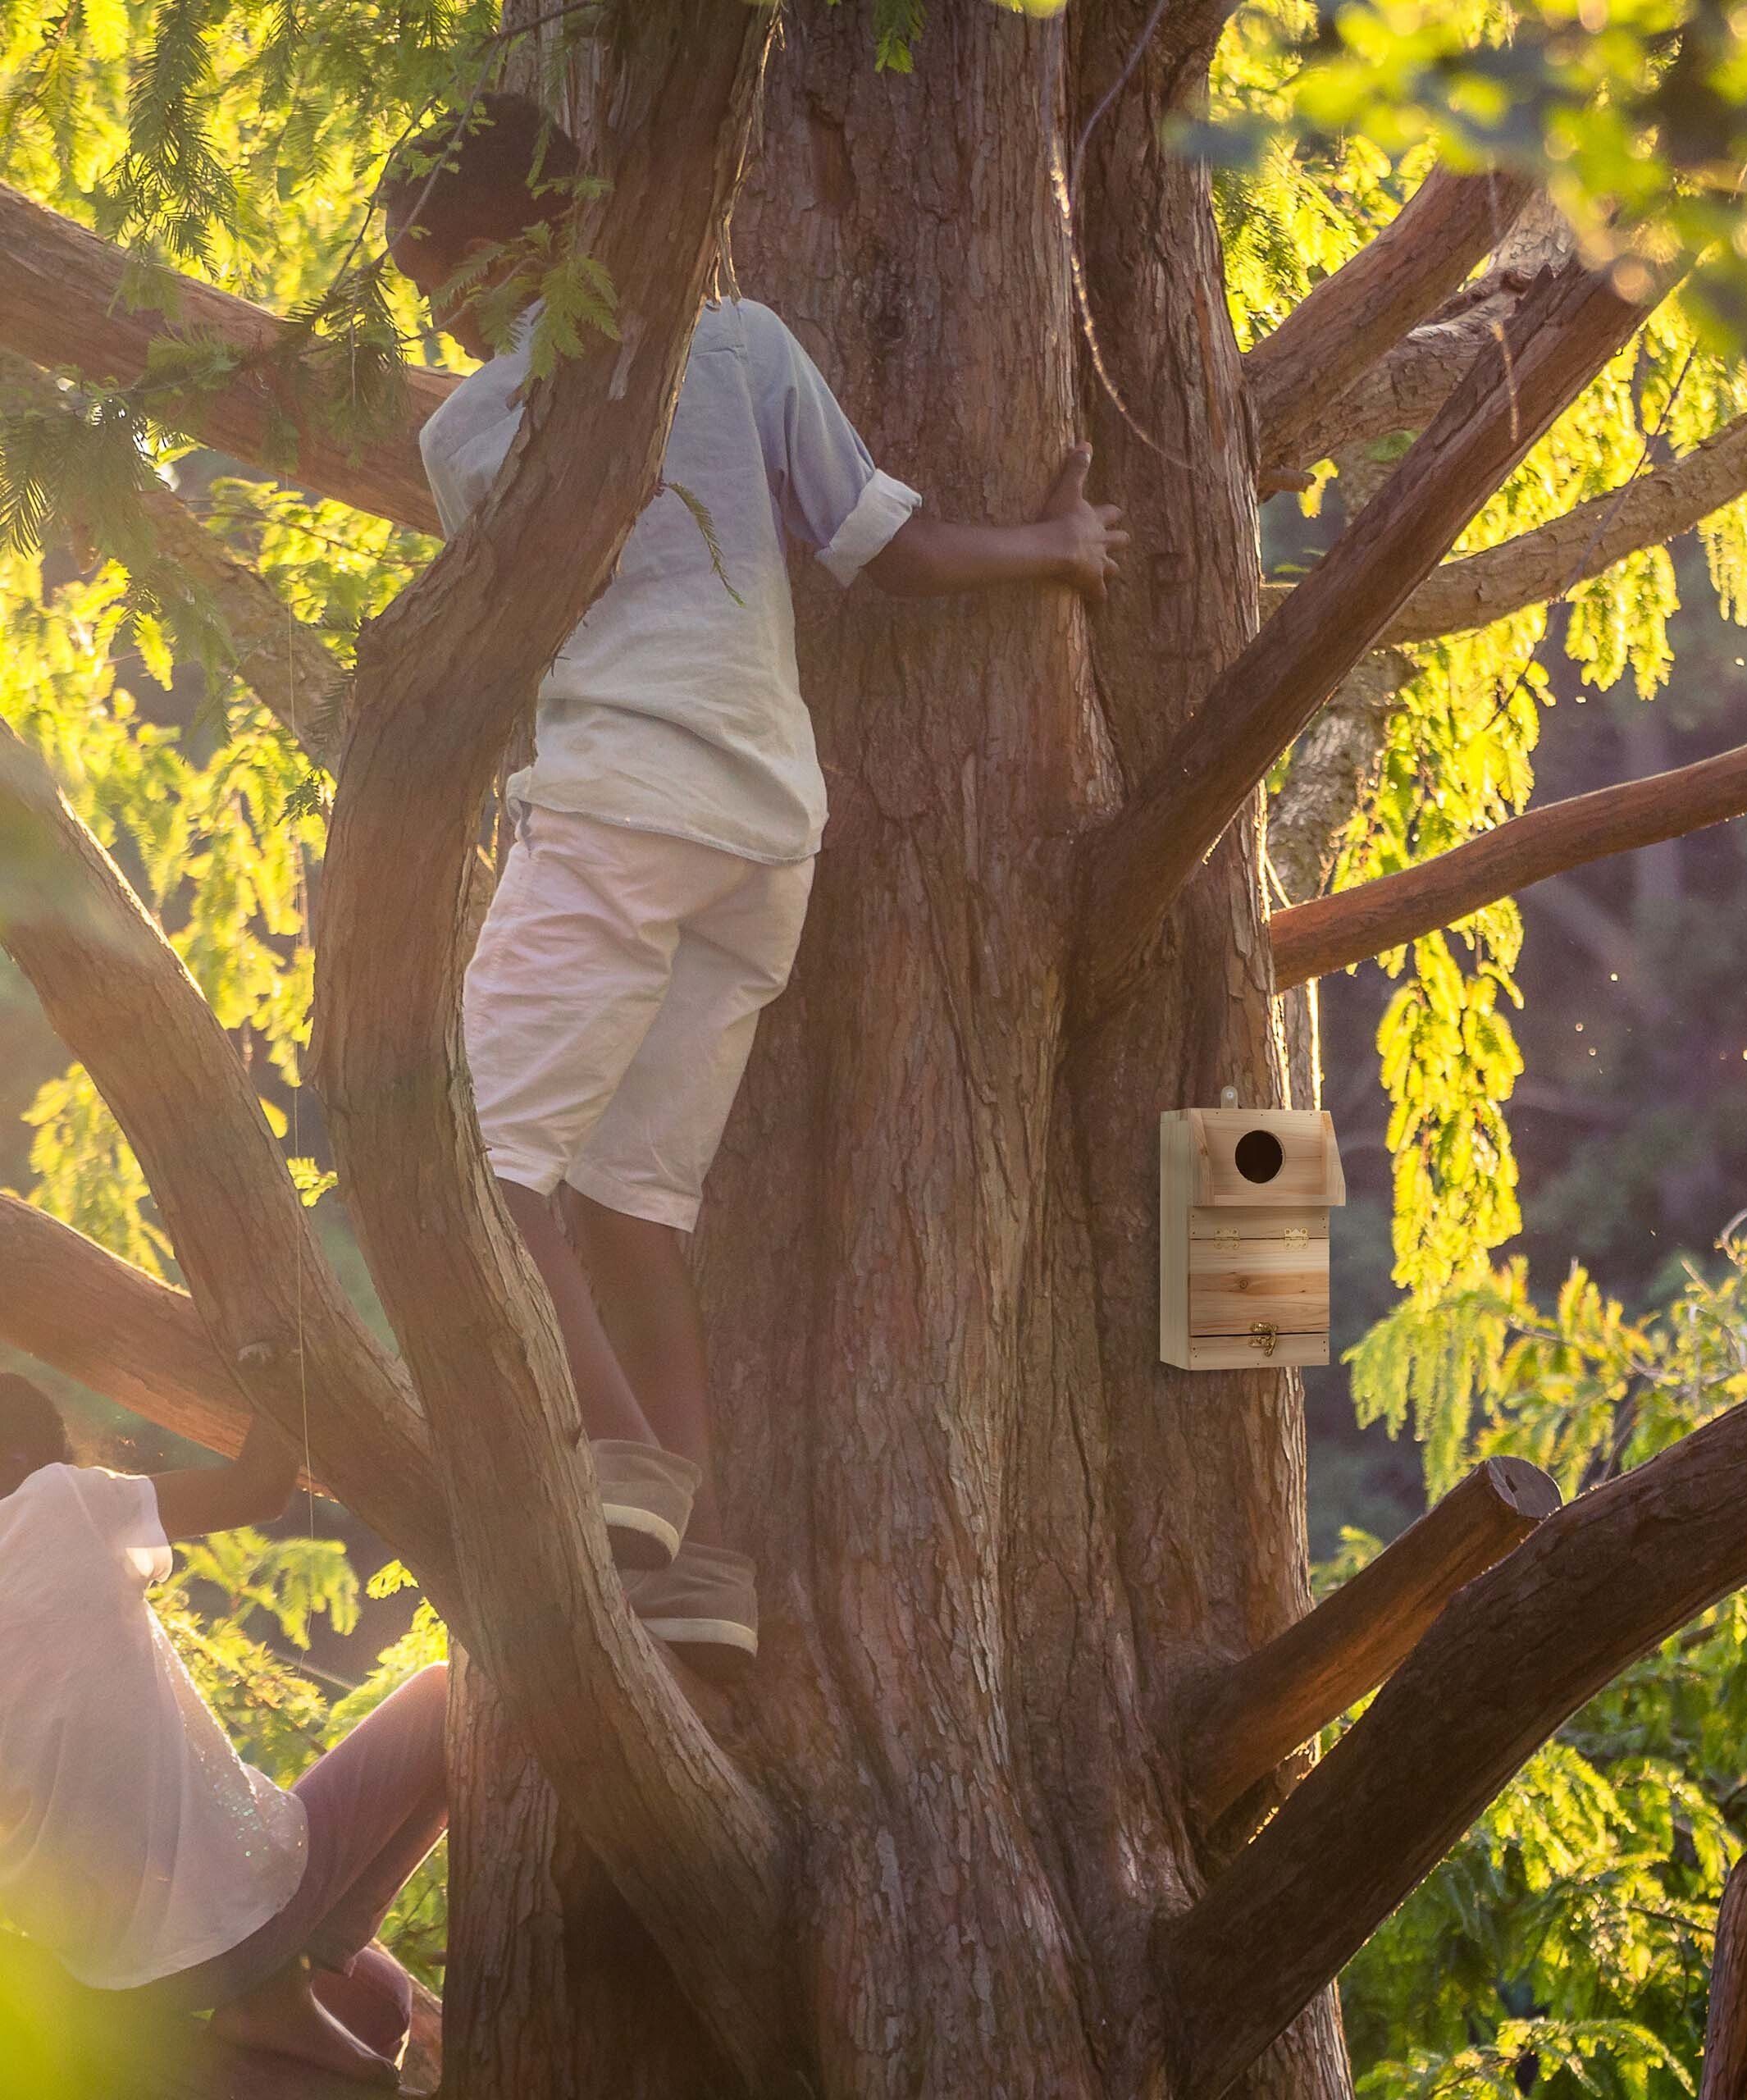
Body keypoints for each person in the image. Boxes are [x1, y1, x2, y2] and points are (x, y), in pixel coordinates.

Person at [381, 93, 1126, 1669]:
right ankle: (698, 1573)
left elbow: (510, 654)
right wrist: (1056, 545)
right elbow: (888, 549)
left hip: (613, 805)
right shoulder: (736, 344)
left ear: (531, 231)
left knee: (474, 1158)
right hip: (765, 837)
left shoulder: (468, 432)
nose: (421, 299)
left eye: (429, 262)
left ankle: (611, 1473)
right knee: (630, 1202)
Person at [0, 1372, 445, 2088]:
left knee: (378, 1997)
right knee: (448, 1697)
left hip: (113, 1975)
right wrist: (279, 1353)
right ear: (24, 1464)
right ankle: (302, 1965)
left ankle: (288, 2000)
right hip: (237, 1923)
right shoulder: (56, 1503)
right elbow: (262, 1488)